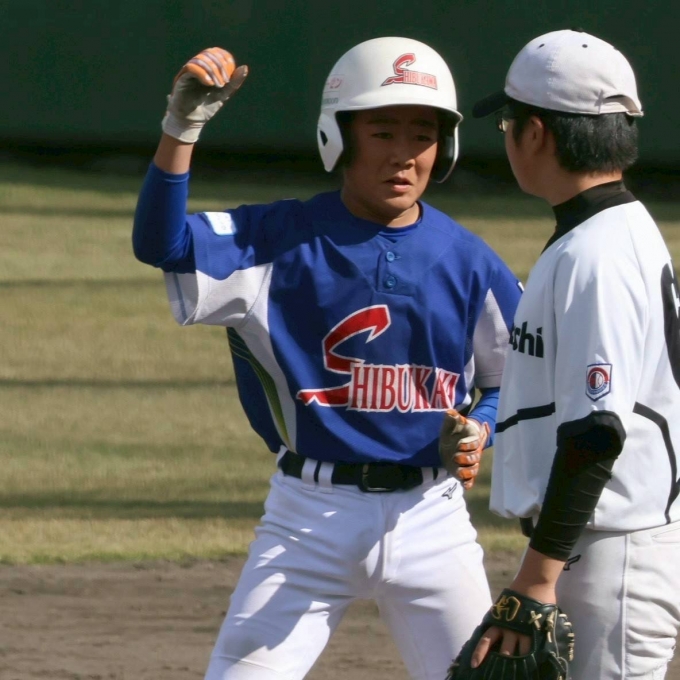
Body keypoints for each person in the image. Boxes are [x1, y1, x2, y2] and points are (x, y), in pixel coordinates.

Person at [132, 37, 521, 680]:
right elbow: (161, 243)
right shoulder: (274, 241)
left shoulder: (472, 262)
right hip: (308, 521)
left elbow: (516, 382)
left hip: (434, 520)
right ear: (338, 137)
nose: (403, 153)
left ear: (445, 148)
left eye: (423, 134)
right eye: (382, 132)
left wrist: (481, 427)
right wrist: (182, 128)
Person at [467, 29, 680, 679]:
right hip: (601, 542)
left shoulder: (597, 255)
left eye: (509, 123)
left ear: (534, 133)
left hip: (613, 552)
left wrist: (536, 576)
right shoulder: (606, 233)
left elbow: (597, 430)